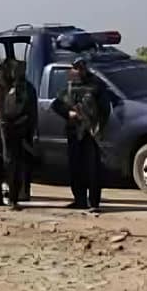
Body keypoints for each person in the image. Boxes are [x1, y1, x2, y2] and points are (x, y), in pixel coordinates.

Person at [51, 57, 111, 213]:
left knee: (93, 169)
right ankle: (80, 200)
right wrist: (68, 113)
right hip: (74, 131)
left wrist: (97, 126)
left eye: (79, 68)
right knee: (76, 168)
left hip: (90, 133)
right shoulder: (70, 86)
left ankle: (94, 203)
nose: (76, 71)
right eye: (74, 68)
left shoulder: (96, 86)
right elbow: (56, 104)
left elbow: (105, 110)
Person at [0, 59, 37, 209]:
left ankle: (13, 198)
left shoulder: (20, 88)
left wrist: (8, 120)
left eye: (1, 69)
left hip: (13, 132)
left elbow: (23, 111)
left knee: (12, 165)